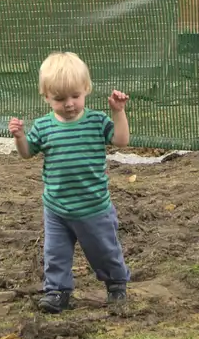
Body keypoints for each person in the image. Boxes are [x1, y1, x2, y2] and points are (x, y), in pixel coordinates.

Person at [9, 52, 132, 315]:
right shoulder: (43, 126)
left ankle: (116, 283)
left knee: (104, 250)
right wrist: (19, 137)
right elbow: (27, 152)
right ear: (46, 97)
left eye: (75, 96)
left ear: (86, 89)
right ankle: (57, 291)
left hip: (93, 206)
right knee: (55, 253)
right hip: (56, 207)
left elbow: (121, 141)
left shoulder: (96, 121)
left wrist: (118, 112)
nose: (69, 104)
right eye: (59, 99)